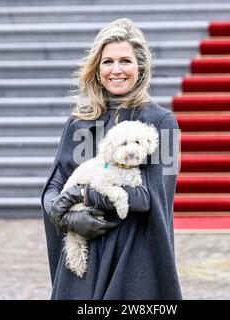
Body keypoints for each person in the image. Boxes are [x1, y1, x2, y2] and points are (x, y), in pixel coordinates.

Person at [40, 18, 182, 300]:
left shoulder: (164, 124)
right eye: (108, 62)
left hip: (132, 259)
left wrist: (84, 194)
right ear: (97, 68)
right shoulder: (78, 122)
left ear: (140, 67)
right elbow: (52, 188)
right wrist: (68, 217)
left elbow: (152, 199)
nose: (116, 70)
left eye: (125, 61)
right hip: (83, 260)